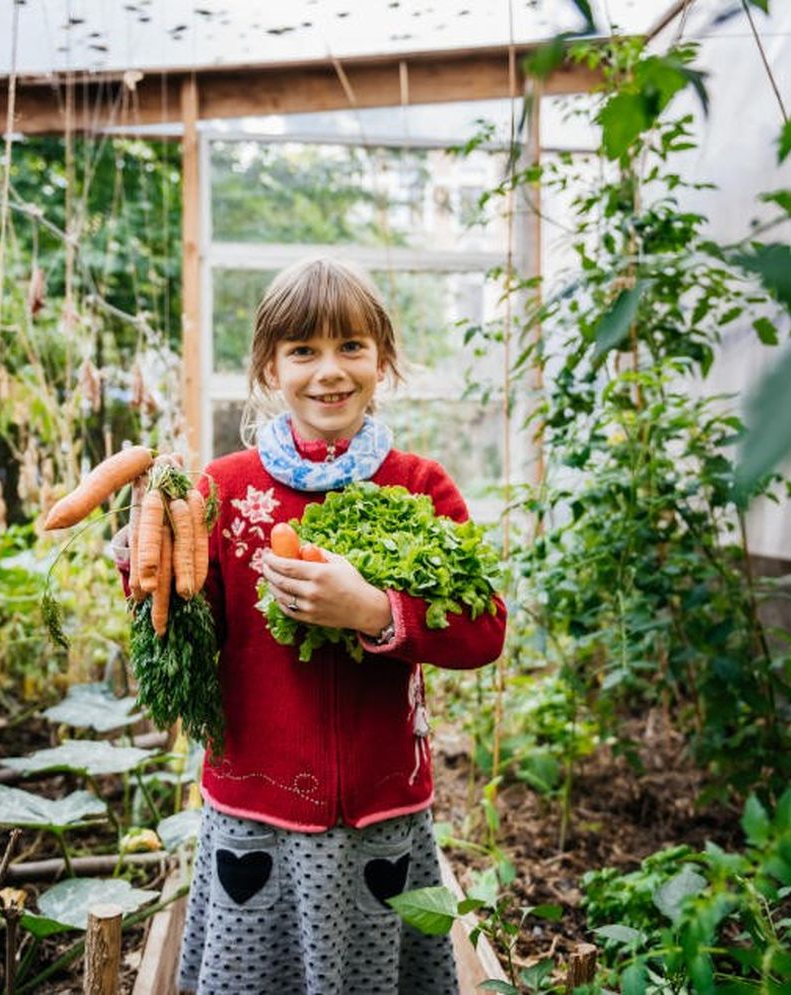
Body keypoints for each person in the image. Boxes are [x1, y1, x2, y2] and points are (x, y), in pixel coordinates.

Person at [116, 256, 506, 994]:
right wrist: (148, 561)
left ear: (382, 358)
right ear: (269, 366)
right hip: (254, 808)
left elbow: (485, 629)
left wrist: (374, 611)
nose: (330, 371)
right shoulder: (223, 489)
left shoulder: (418, 484)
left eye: (351, 346)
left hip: (380, 806)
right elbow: (187, 623)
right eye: (304, 351)